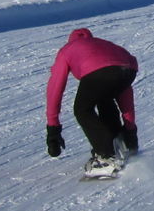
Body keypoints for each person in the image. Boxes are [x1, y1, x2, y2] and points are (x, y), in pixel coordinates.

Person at [45, 28, 140, 176]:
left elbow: (55, 89)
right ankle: (120, 145)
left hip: (101, 72)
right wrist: (130, 130)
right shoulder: (103, 45)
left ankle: (106, 156)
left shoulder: (67, 50)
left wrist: (53, 130)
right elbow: (124, 92)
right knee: (105, 99)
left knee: (82, 110)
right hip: (129, 68)